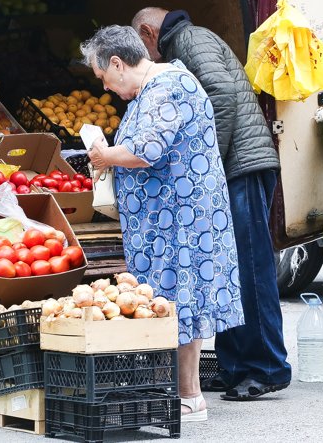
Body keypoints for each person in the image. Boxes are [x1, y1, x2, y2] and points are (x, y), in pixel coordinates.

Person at [81, 25, 244, 422]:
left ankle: (188, 397)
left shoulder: (168, 87)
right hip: (169, 220)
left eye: (104, 77)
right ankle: (176, 393)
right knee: (171, 300)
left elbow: (148, 149)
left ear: (118, 63)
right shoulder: (154, 89)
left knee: (179, 301)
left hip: (179, 222)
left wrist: (104, 157)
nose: (105, 88)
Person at [132, 8, 291, 401]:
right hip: (234, 167)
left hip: (240, 167)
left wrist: (207, 164)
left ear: (149, 32)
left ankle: (266, 368)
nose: (146, 60)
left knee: (251, 270)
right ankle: (236, 366)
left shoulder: (190, 39)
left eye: (141, 48)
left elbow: (219, 93)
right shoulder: (185, 42)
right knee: (226, 270)